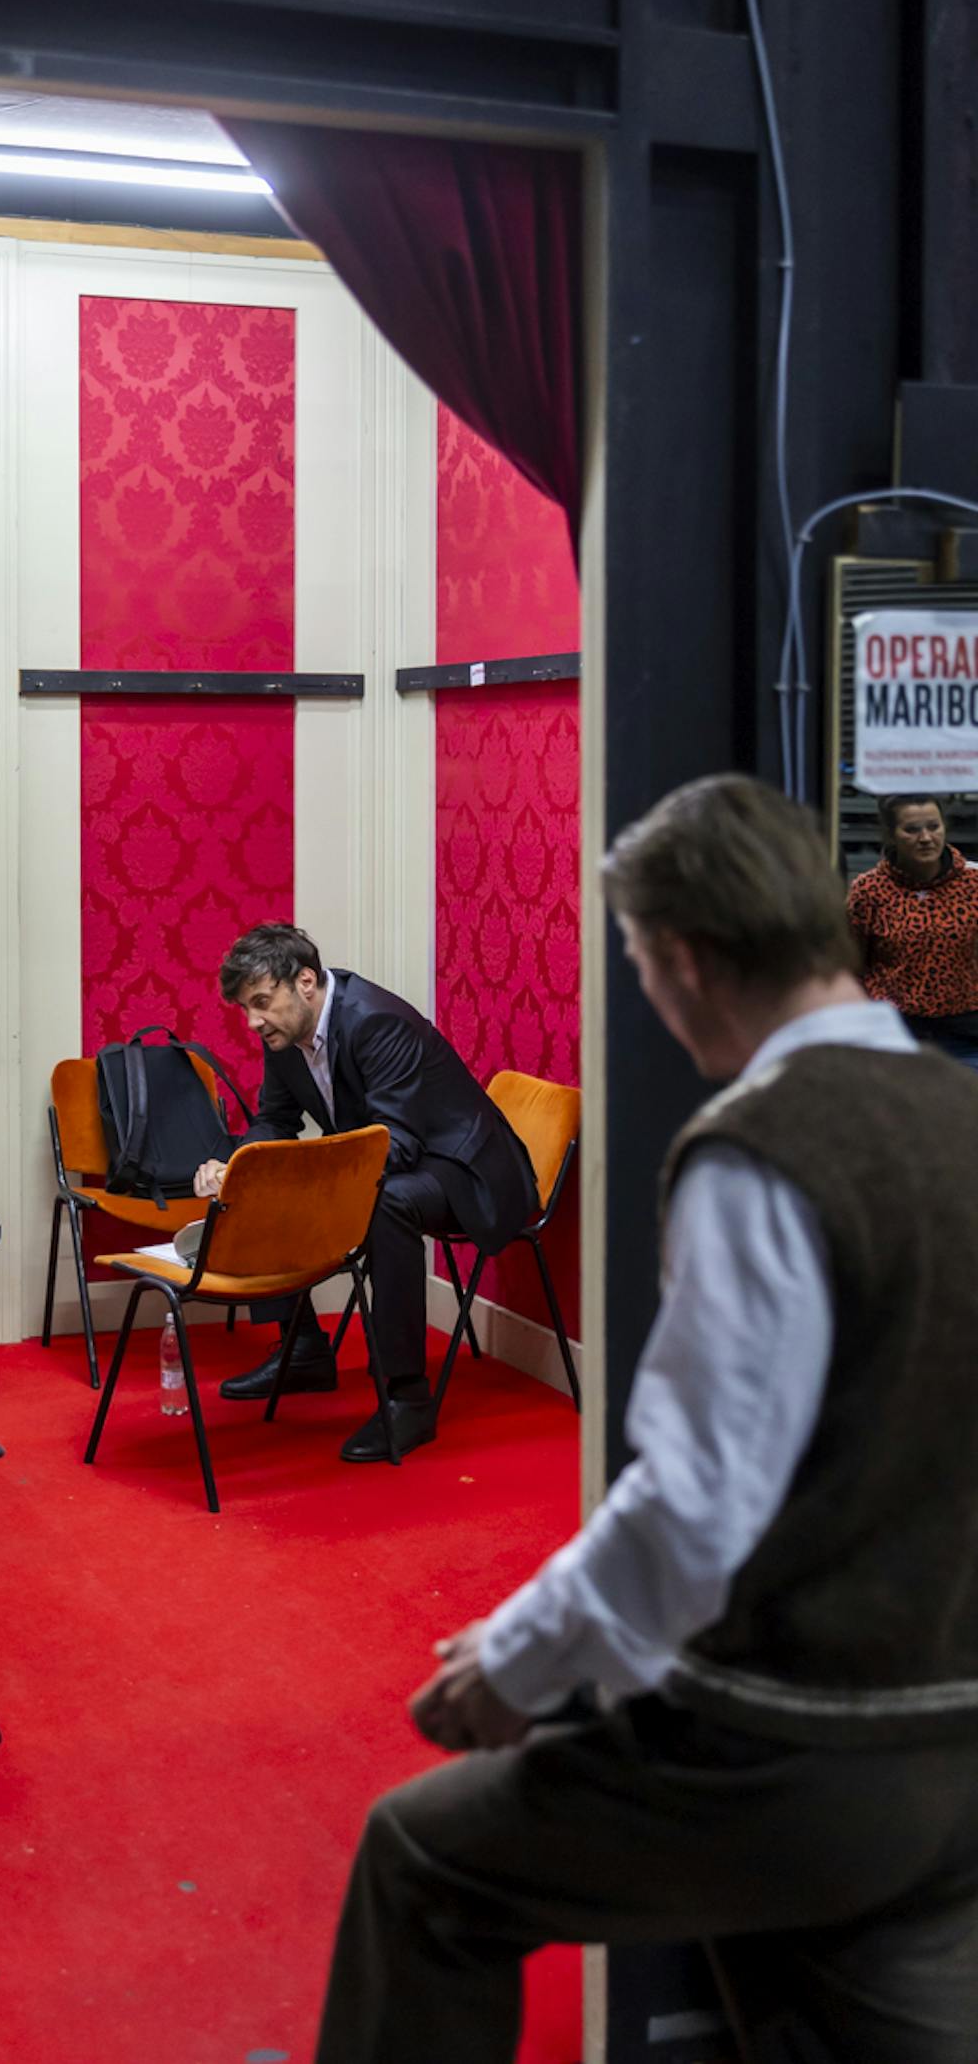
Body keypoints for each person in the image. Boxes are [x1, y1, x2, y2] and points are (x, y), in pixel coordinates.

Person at [314, 775, 978, 2063]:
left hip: (796, 1751)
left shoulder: (758, 1152)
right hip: (949, 1744)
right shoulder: (960, 1113)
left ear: (681, 957)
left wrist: (515, 1666)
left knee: (420, 1862)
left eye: (632, 961)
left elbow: (693, 1505)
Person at [193, 923, 537, 1463]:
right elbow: (275, 1120)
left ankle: (407, 1399)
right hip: (398, 1158)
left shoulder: (376, 1021)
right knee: (263, 1178)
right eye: (245, 1008)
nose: (253, 1021)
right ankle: (303, 1349)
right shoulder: (284, 1035)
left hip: (466, 1167)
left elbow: (398, 1141)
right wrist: (239, 1167)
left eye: (261, 1002)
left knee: (386, 1202)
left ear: (305, 981)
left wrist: (309, 1176)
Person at [846, 792, 978, 1069]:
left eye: (933, 826)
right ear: (891, 835)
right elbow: (851, 964)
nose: (926, 838)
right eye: (912, 829)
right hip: (894, 1033)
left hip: (966, 1033)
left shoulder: (972, 883)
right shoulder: (868, 890)